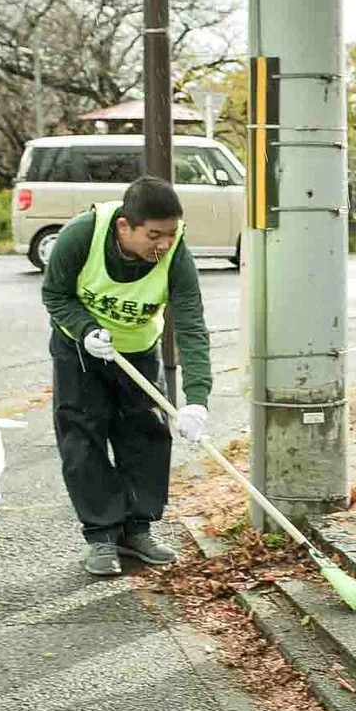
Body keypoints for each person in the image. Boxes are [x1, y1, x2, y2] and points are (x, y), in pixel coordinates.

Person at [39, 176, 212, 578]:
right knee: (83, 438)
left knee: (146, 436)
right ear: (124, 227)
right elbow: (55, 294)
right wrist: (84, 329)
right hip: (80, 352)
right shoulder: (81, 235)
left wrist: (198, 398)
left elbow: (190, 325)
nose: (164, 244)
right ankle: (101, 536)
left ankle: (138, 530)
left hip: (139, 351)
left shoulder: (175, 254)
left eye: (170, 234)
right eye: (154, 235)